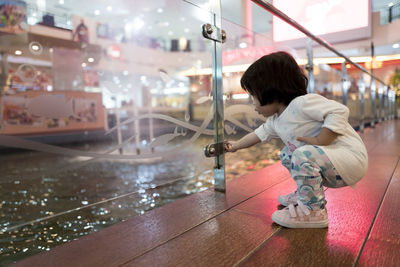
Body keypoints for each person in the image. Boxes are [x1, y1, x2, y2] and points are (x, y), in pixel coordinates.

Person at [224, 51, 368, 228]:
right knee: (287, 153)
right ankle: (306, 194)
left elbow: (339, 110)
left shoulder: (302, 103)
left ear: (271, 89)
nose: (252, 103)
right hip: (333, 165)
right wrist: (236, 146)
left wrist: (323, 138)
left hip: (349, 159)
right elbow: (257, 135)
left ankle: (313, 211)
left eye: (253, 95)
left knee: (300, 154)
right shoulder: (276, 120)